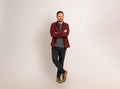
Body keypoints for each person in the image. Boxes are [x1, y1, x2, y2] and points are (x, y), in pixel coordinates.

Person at [50, 11, 70, 83]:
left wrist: (57, 33)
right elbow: (52, 34)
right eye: (59, 16)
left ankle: (58, 77)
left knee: (61, 62)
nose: (60, 17)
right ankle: (64, 72)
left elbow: (66, 34)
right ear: (57, 17)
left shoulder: (66, 25)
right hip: (55, 46)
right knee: (54, 60)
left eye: (61, 16)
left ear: (63, 16)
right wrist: (61, 33)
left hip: (63, 47)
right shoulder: (53, 25)